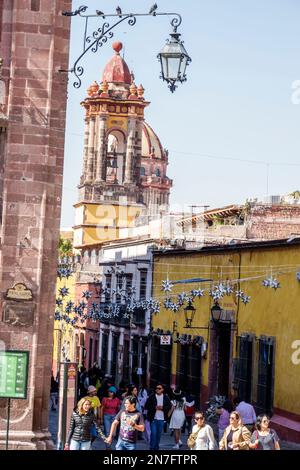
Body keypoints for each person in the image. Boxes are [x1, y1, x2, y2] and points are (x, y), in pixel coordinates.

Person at [144, 383, 172, 450]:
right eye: (156, 388)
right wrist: (155, 407)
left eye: (159, 388)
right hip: (153, 419)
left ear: (162, 389)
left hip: (162, 419)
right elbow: (146, 406)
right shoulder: (152, 396)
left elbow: (169, 406)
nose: (157, 390)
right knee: (153, 434)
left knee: (158, 435)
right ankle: (152, 447)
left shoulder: (165, 397)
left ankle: (156, 447)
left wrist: (162, 408)